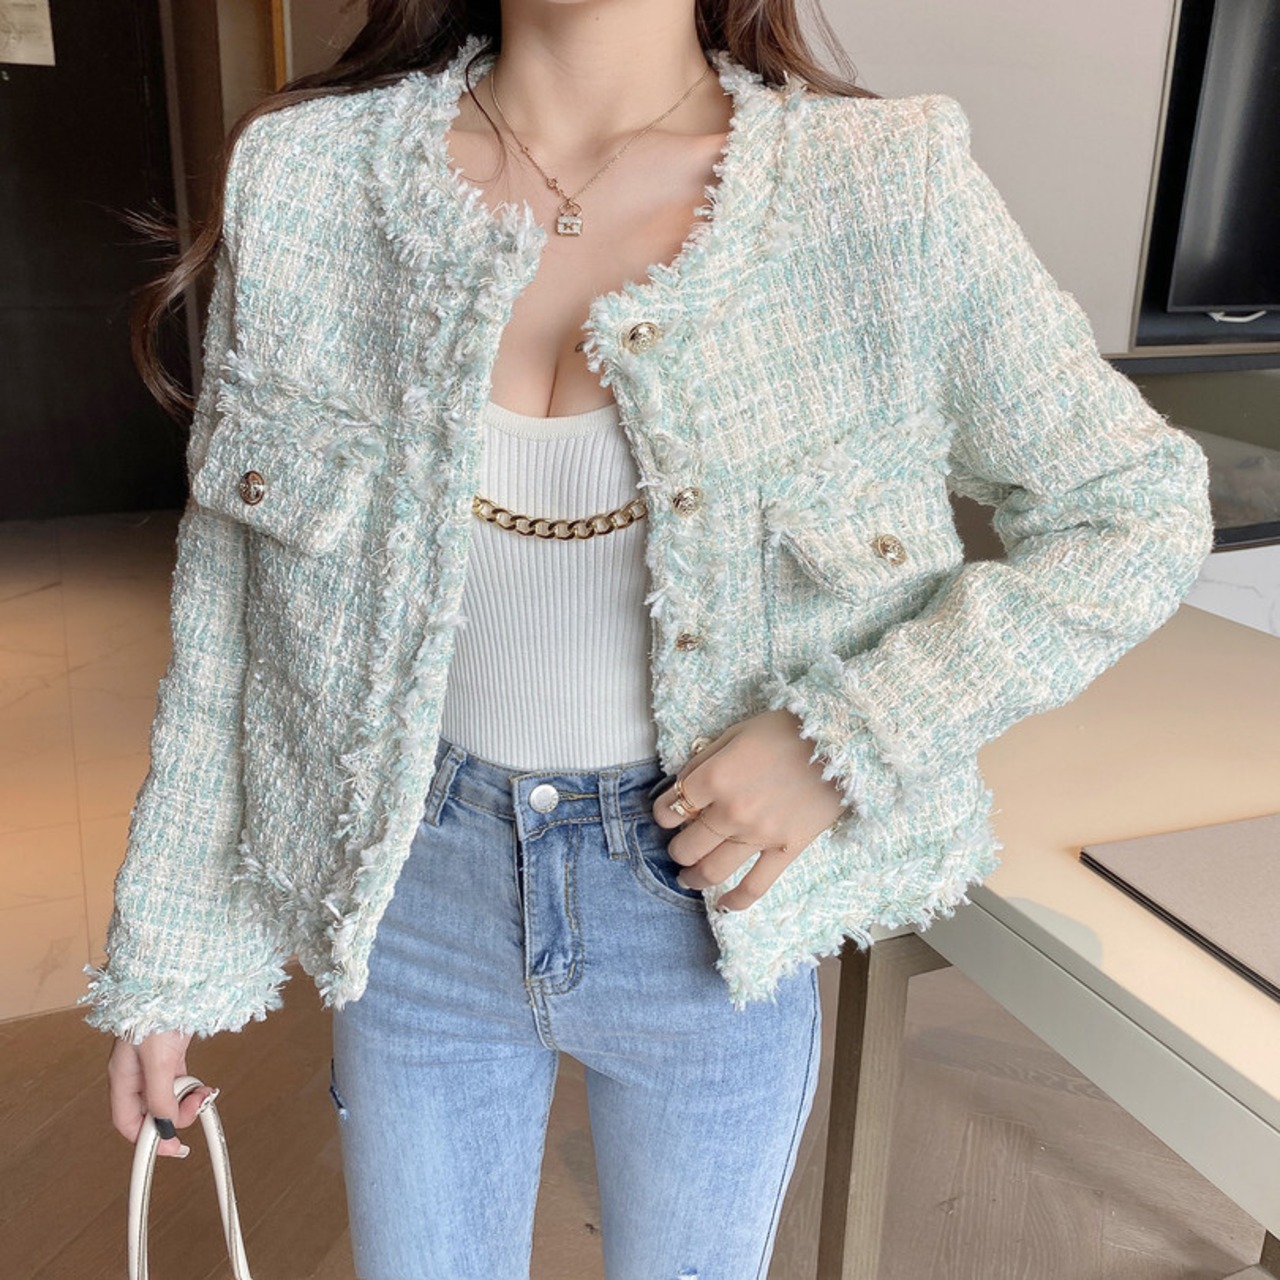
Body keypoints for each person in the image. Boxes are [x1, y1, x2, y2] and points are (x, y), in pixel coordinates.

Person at [80, 1, 1215, 1276]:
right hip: (414, 896)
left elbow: (1131, 508)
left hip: (706, 902)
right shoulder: (309, 177)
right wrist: (168, 958)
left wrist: (846, 735)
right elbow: (232, 609)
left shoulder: (880, 186)